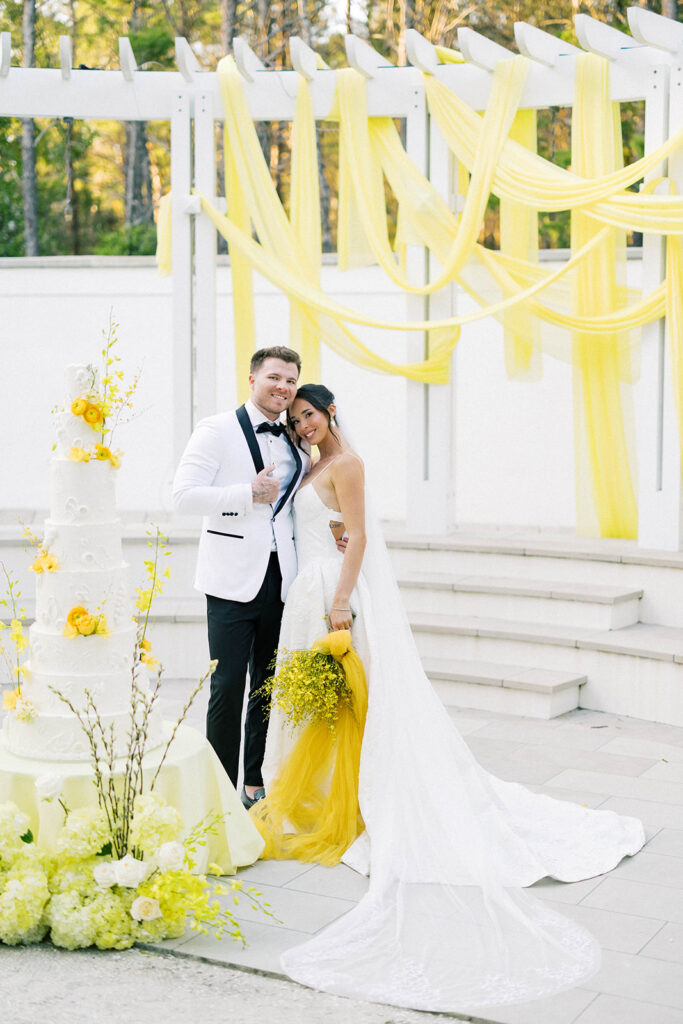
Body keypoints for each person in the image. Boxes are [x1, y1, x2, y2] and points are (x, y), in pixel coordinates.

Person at [257, 383, 647, 1016]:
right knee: (320, 704)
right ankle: (323, 795)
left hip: (333, 592)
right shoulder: (311, 464)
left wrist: (341, 602)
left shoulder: (347, 464)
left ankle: (353, 798)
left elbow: (358, 537)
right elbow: (322, 525)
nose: (303, 425)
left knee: (352, 702)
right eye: (296, 419)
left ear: (330, 413)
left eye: (310, 415)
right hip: (306, 588)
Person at [172, 346, 308, 810]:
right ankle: (217, 793)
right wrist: (245, 493)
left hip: (282, 577)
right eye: (274, 377)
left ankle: (253, 784)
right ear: (252, 379)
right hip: (230, 579)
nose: (283, 387)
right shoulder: (216, 429)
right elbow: (183, 497)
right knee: (227, 686)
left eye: (290, 380)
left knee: (268, 686)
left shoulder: (296, 437)